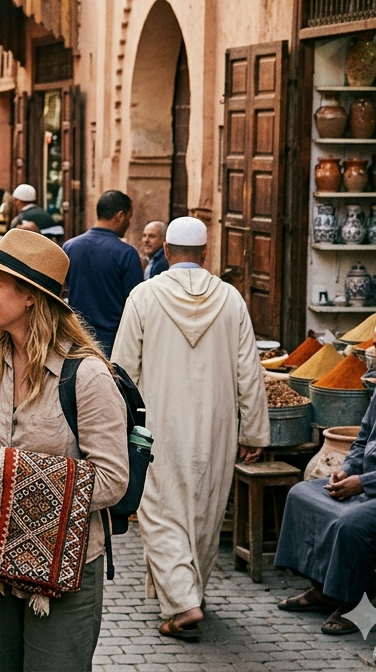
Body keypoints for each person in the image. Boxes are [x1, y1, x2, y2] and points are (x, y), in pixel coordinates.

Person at [0, 228, 130, 672]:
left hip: (64, 570)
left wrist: (14, 477)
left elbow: (112, 480)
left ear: (29, 295)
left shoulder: (86, 376)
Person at [110, 216, 269, 641]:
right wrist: (253, 432)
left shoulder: (145, 296)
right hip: (218, 425)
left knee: (161, 512)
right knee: (205, 510)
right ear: (205, 252)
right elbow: (249, 372)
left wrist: (117, 428)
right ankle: (191, 593)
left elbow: (123, 369)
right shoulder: (231, 299)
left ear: (165, 249)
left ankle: (183, 604)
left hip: (159, 424)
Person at [275, 312, 376, 636]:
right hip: (372, 482)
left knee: (352, 523)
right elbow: (363, 437)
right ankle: (322, 590)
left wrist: (362, 483)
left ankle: (359, 607)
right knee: (303, 495)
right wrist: (347, 470)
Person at [61, 190, 143, 355]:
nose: (129, 223)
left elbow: (60, 292)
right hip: (113, 343)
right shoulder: (126, 253)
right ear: (119, 216)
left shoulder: (70, 247)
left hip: (76, 339)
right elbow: (137, 305)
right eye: (129, 217)